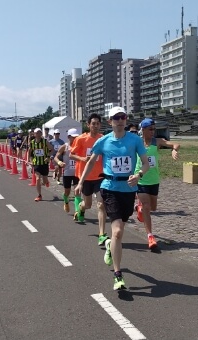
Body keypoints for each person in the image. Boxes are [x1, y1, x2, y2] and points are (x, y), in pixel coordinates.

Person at [75, 106, 149, 290]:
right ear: (110, 122)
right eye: (116, 118)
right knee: (116, 231)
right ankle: (118, 275)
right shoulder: (104, 141)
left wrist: (139, 175)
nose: (120, 120)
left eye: (122, 117)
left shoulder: (135, 140)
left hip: (128, 189)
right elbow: (91, 162)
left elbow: (146, 163)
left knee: (120, 229)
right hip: (109, 187)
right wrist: (80, 182)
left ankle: (110, 246)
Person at [134, 118, 180, 250]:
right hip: (141, 179)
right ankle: (150, 236)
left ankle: (139, 208)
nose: (153, 131)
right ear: (142, 130)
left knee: (153, 207)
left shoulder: (157, 142)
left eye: (154, 129)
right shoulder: (137, 143)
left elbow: (175, 144)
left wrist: (174, 150)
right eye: (150, 129)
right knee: (147, 206)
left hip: (154, 180)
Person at [70, 113, 108, 245]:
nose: (96, 126)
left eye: (98, 123)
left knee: (101, 204)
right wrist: (82, 159)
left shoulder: (102, 139)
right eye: (93, 123)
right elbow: (71, 155)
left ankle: (102, 234)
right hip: (85, 177)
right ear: (88, 125)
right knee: (87, 204)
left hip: (99, 176)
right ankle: (80, 208)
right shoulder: (81, 139)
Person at [54, 128, 80, 213]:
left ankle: (77, 212)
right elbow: (56, 157)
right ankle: (66, 200)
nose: (75, 139)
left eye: (76, 137)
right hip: (67, 172)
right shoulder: (65, 146)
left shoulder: (80, 146)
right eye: (73, 137)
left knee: (77, 191)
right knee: (67, 192)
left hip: (77, 173)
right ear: (69, 137)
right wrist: (59, 162)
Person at [27, 128, 52, 202]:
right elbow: (30, 151)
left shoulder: (45, 141)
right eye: (36, 133)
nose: (38, 134)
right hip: (36, 163)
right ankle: (39, 195)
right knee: (38, 179)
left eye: (39, 133)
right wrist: (28, 160)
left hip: (44, 163)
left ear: (41, 134)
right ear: (34, 134)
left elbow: (52, 149)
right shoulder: (32, 143)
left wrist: (48, 157)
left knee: (44, 180)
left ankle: (46, 181)